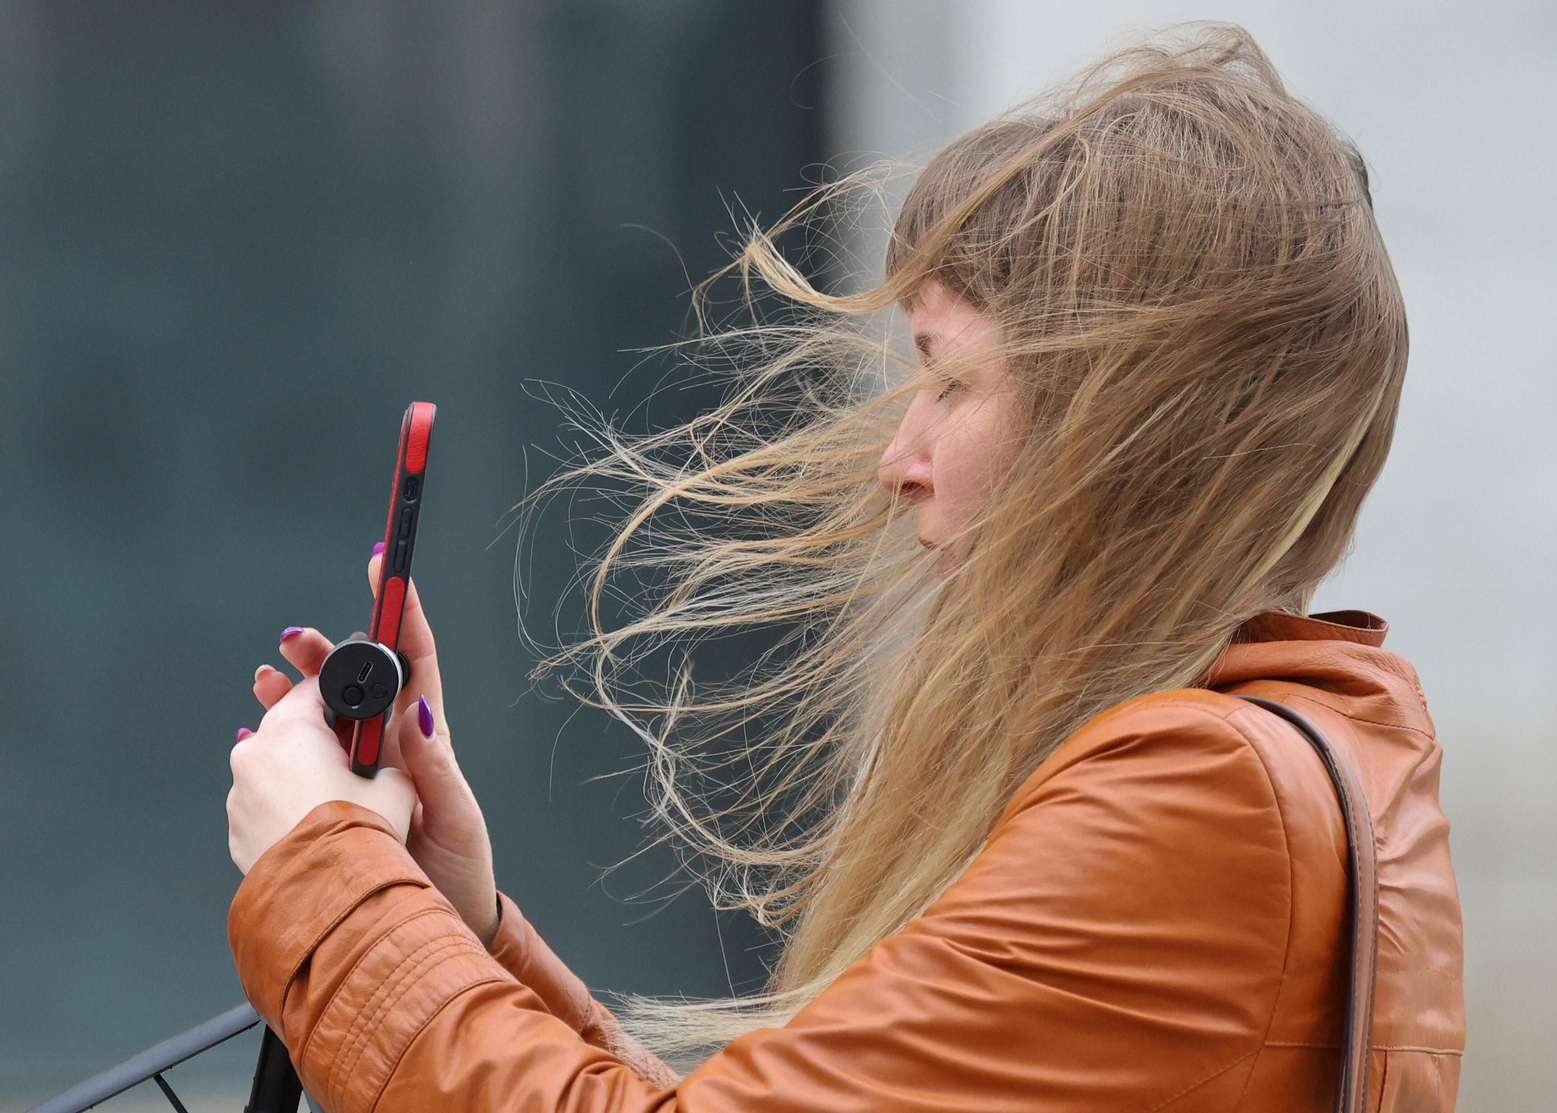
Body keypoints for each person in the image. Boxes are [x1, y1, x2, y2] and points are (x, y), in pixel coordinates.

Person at [226, 24, 1465, 1112]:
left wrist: (326, 873)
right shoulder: (1270, 758)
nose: (900, 458)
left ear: (1120, 430)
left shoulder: (1205, 803)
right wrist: (459, 925)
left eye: (951, 379)